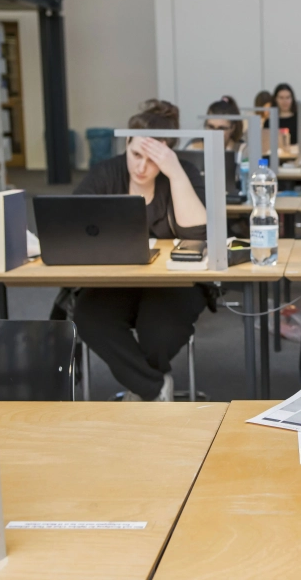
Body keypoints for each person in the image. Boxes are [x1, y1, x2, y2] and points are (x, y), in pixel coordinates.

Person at [72, 99, 209, 402]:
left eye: (152, 159)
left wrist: (174, 173)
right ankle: (154, 387)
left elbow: (197, 233)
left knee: (159, 331)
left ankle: (143, 387)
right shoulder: (107, 173)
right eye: (135, 154)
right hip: (117, 277)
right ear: (127, 144)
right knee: (89, 316)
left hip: (175, 282)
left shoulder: (181, 172)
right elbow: (74, 219)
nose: (141, 167)